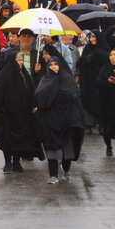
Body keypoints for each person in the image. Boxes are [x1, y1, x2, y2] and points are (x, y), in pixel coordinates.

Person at [0, 29, 44, 173]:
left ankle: (16, 162)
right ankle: (8, 163)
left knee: (20, 139)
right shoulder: (4, 77)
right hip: (7, 114)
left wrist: (33, 105)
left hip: (22, 114)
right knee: (7, 139)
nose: (21, 63)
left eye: (22, 60)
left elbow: (31, 90)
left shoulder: (24, 75)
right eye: (19, 60)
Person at [33, 55, 86, 184]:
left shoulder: (67, 79)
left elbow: (75, 96)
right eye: (51, 65)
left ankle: (66, 170)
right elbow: (39, 96)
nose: (53, 67)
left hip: (66, 119)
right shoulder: (45, 79)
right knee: (51, 148)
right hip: (50, 119)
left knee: (67, 148)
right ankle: (53, 175)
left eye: (55, 64)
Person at [77, 30, 106, 132]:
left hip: (99, 81)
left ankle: (101, 124)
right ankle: (89, 123)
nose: (93, 39)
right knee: (88, 100)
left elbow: (106, 64)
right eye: (91, 37)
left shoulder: (103, 49)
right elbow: (82, 63)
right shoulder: (87, 49)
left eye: (95, 37)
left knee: (100, 102)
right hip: (88, 81)